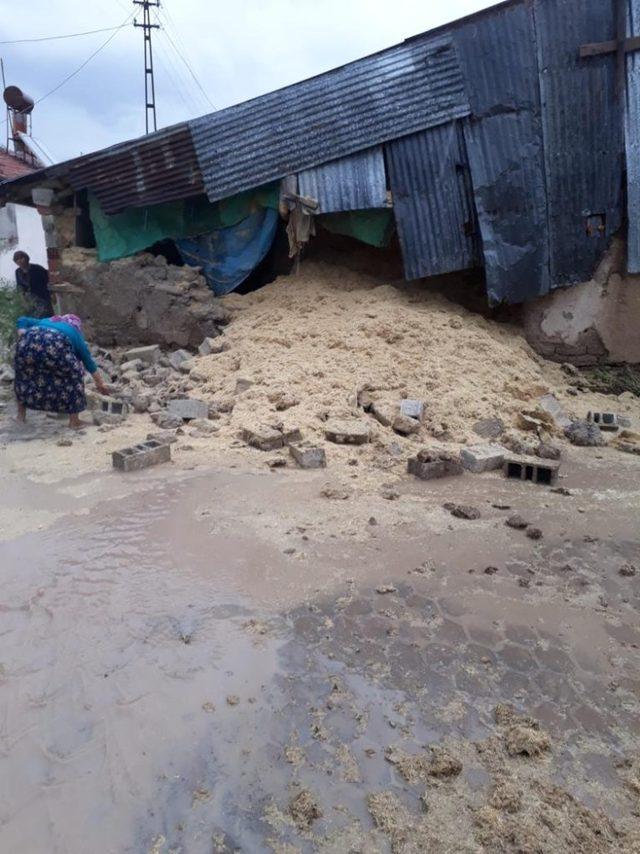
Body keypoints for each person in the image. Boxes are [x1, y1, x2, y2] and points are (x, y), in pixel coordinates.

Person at [14, 313, 109, 429]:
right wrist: (100, 384)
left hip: (28, 342)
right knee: (75, 374)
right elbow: (89, 363)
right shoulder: (75, 333)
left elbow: (21, 319)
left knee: (24, 376)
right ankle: (74, 422)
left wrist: (22, 333)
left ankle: (20, 417)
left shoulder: (46, 321)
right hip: (56, 344)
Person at [13, 250, 54, 318]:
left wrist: (52, 295)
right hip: (30, 301)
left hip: (43, 298)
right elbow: (19, 287)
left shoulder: (37, 268)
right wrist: (24, 302)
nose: (20, 261)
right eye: (17, 259)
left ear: (26, 258)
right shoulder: (18, 272)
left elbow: (48, 280)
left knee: (47, 318)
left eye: (21, 258)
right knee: (33, 321)